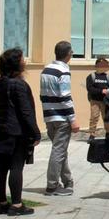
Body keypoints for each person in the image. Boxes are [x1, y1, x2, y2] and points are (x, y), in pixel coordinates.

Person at [0, 48, 40, 216]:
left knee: (1, 166)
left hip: (0, 128)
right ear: (17, 64)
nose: (24, 61)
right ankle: (16, 204)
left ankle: (1, 202)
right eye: (22, 59)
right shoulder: (19, 84)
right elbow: (26, 112)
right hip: (17, 131)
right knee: (16, 167)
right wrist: (35, 132)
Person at [40, 41, 78, 196]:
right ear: (68, 54)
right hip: (62, 117)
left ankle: (67, 180)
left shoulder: (46, 70)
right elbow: (65, 97)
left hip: (49, 115)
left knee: (60, 150)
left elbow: (42, 95)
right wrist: (73, 118)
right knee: (58, 151)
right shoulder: (63, 71)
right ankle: (52, 185)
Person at [85, 57, 109, 136]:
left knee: (106, 118)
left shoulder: (108, 77)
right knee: (94, 117)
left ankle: (108, 133)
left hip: (105, 101)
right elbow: (89, 88)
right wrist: (101, 91)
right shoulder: (91, 76)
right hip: (95, 101)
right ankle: (92, 134)